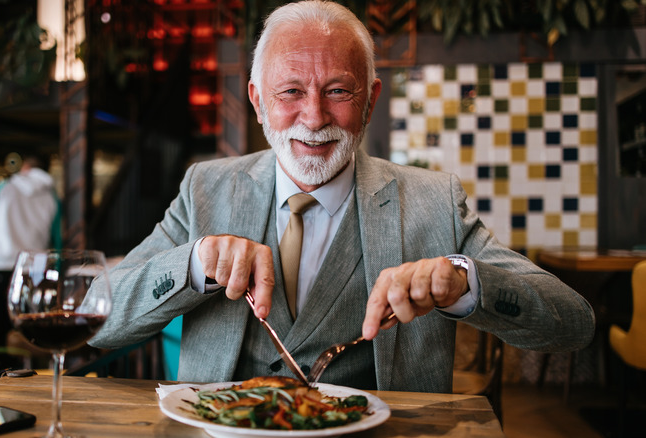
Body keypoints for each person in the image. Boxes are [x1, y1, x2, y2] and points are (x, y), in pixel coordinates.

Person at [89, 0, 595, 392]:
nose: (314, 117)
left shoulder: (433, 200)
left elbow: (573, 323)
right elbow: (96, 317)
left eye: (338, 91)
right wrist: (193, 265)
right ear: (258, 101)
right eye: (290, 92)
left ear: (371, 100)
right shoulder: (205, 188)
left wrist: (463, 282)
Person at [0, 153, 61, 370]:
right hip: (33, 272)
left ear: (25, 167)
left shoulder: (5, 188)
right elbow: (57, 241)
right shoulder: (52, 197)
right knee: (26, 336)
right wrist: (57, 271)